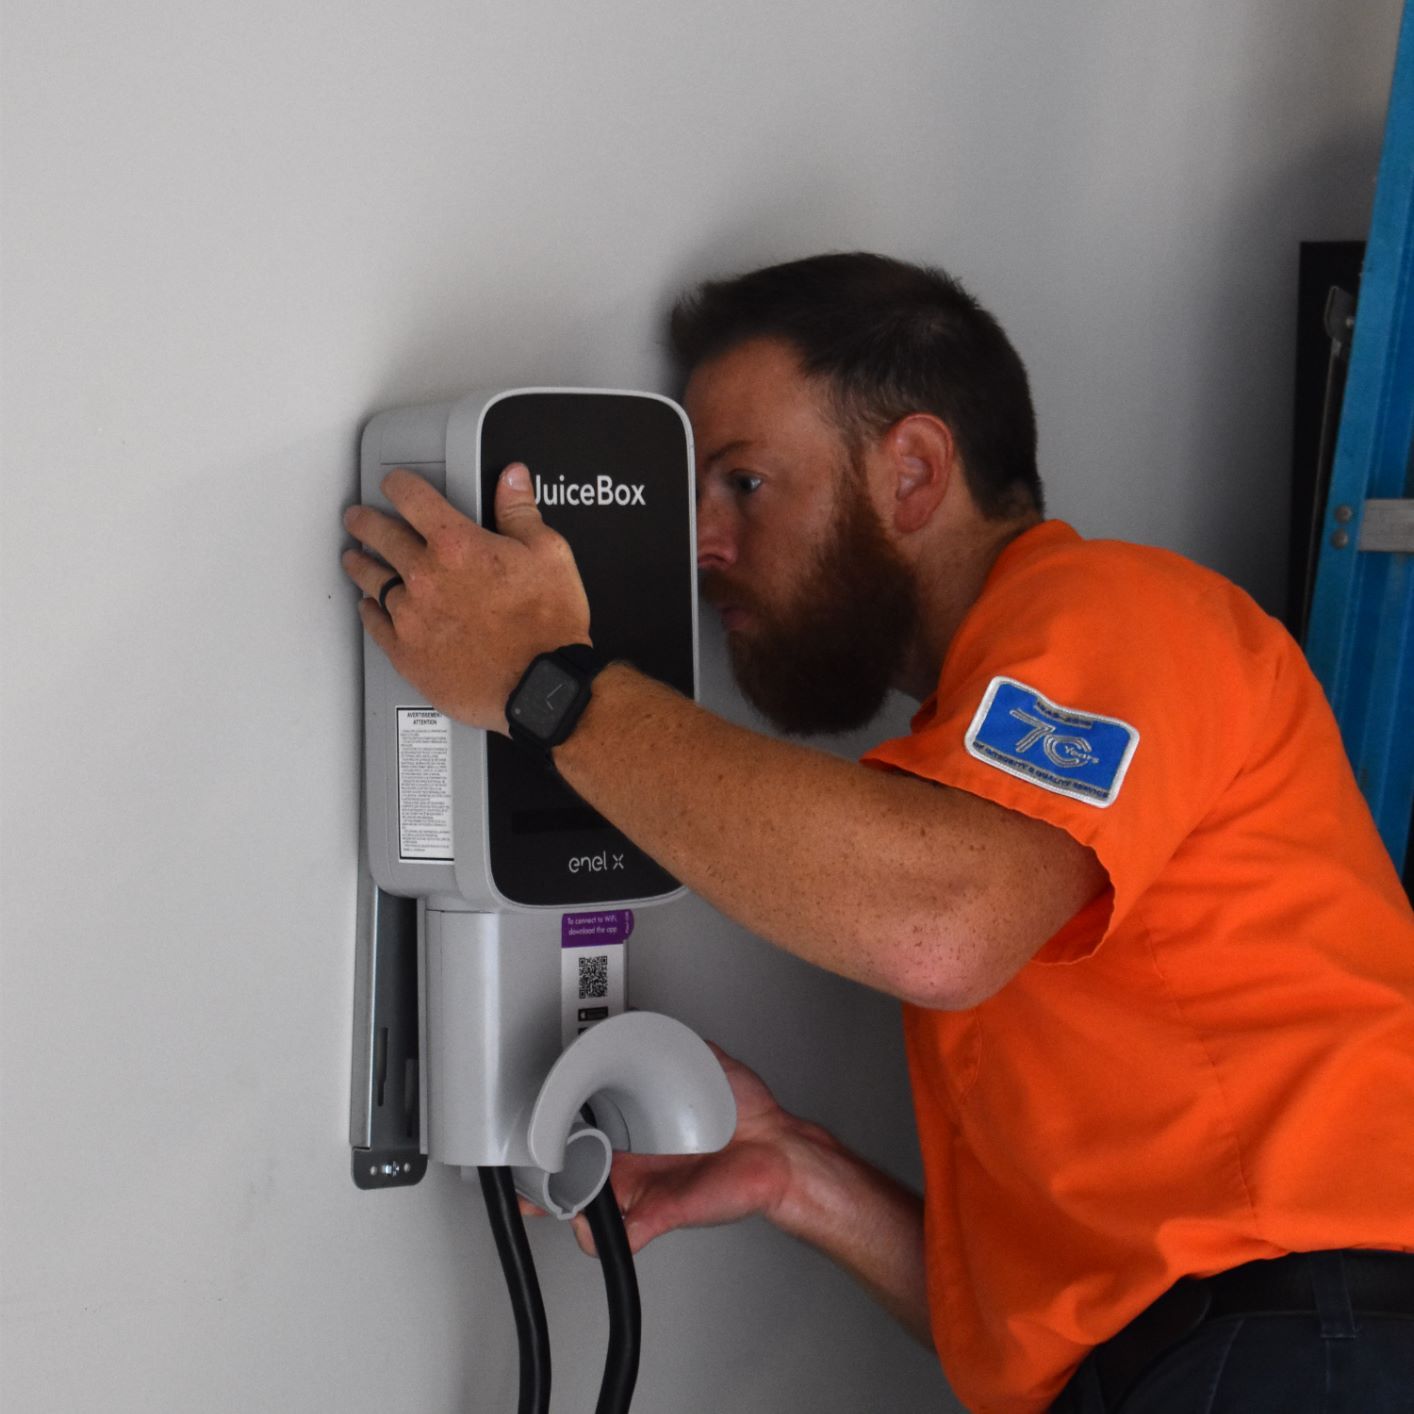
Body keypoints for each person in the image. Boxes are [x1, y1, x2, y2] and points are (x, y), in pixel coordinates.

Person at [340, 253, 1414, 1413]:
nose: (703, 543)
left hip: (1308, 1348)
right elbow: (1065, 1323)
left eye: (745, 483)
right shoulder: (978, 787)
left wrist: (544, 681)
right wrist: (797, 1171)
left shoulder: (1117, 612)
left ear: (911, 471)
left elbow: (935, 928)